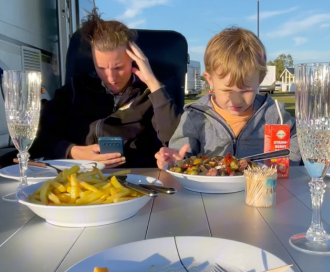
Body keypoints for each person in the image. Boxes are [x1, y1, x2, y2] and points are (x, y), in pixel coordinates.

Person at [31, 10, 182, 168]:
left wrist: (152, 82)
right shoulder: (76, 90)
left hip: (136, 177)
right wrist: (72, 151)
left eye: (119, 67)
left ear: (133, 60)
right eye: (101, 67)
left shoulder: (150, 95)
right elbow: (37, 136)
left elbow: (175, 140)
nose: (111, 77)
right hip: (80, 178)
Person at [155, 26, 300, 168]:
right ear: (210, 79)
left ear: (260, 79)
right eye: (226, 90)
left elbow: (296, 141)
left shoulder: (275, 115)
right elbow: (183, 154)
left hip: (259, 189)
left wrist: (285, 165)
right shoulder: (195, 116)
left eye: (246, 90)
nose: (236, 100)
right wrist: (174, 160)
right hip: (208, 191)